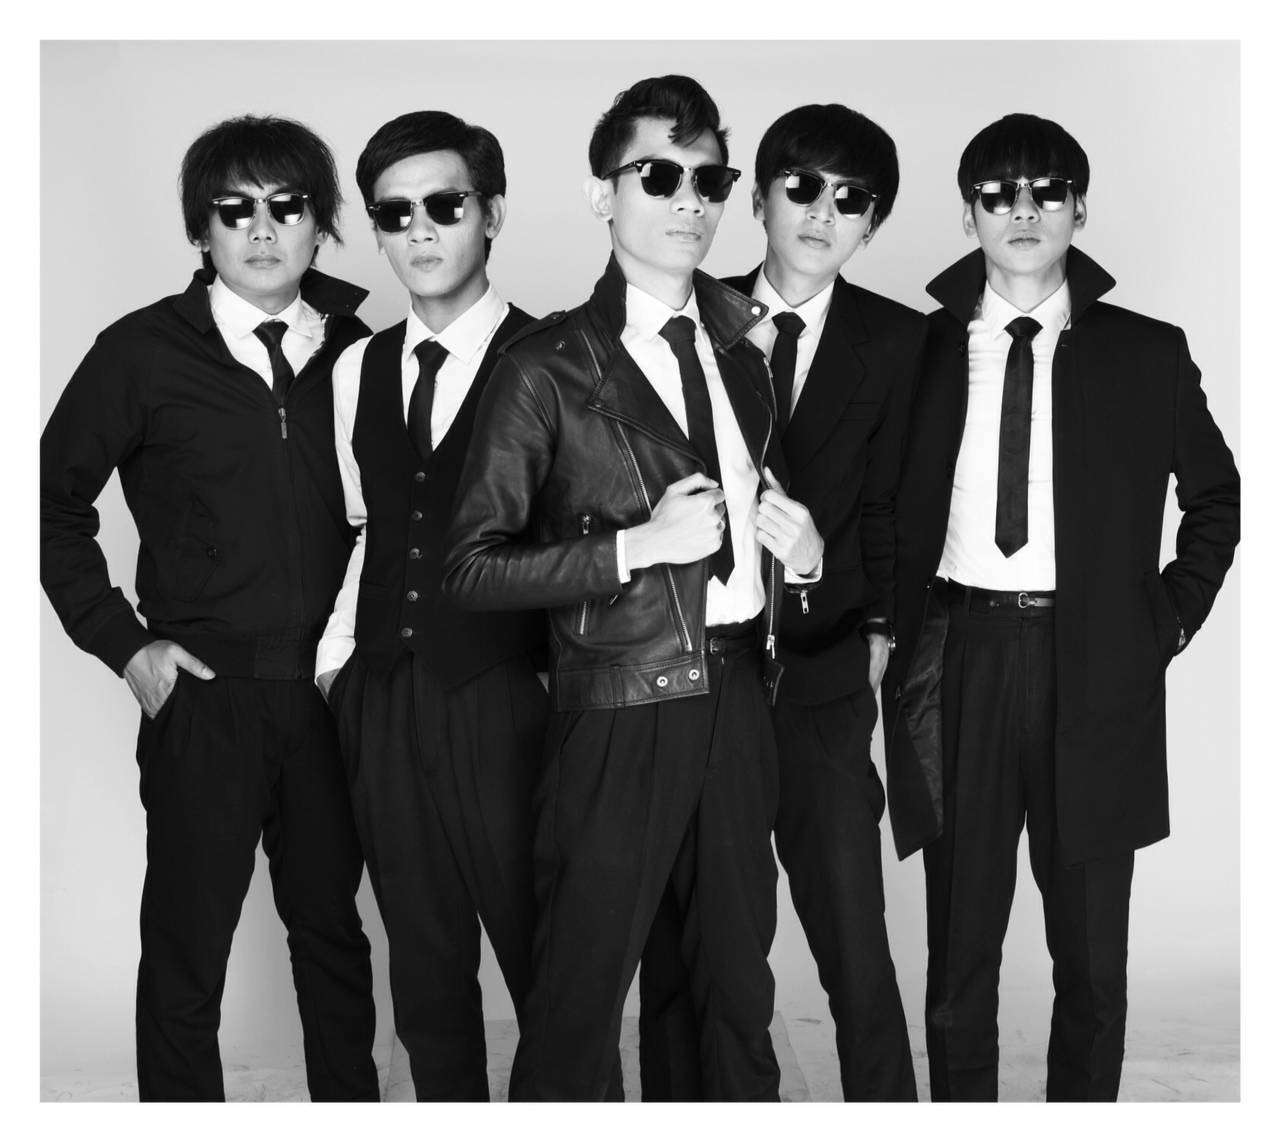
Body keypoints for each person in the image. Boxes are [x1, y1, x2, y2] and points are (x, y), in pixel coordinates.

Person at [443, 74, 824, 1101]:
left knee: (731, 990)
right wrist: (633, 548)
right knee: (578, 998)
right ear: (600, 194)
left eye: (709, 179)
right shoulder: (546, 366)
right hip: (618, 706)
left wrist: (804, 556)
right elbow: (468, 567)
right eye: (658, 175)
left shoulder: (744, 347)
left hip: (738, 696)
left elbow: (762, 514)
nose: (687, 199)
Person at [881, 112, 1240, 1101]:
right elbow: (873, 505)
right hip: (960, 656)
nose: (1023, 210)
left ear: (1079, 207)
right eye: (998, 193)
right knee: (959, 954)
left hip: (1094, 666)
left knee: (1090, 959)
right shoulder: (918, 352)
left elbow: (1216, 498)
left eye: (1046, 190)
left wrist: (1164, 618)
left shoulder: (1145, 352)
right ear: (968, 215)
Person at [40, 114, 378, 1101]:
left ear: (321, 225)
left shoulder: (361, 352)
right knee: (187, 948)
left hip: (329, 694)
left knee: (334, 935)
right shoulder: (140, 353)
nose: (262, 229)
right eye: (235, 210)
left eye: (288, 206)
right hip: (205, 696)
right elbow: (47, 504)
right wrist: (124, 644)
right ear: (202, 228)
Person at [639, 102, 922, 1101]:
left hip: (822, 676)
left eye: (850, 199)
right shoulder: (686, 312)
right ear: (756, 199)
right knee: (695, 938)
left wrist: (858, 611)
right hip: (697, 672)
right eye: (800, 187)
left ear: (870, 223)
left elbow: (895, 512)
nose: (820, 213)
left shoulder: (899, 342)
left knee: (852, 935)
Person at [314, 110, 545, 1101]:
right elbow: (366, 523)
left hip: (511, 695)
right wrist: (336, 665)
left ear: (491, 213)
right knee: (425, 968)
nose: (420, 230)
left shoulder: (558, 357)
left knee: (550, 963)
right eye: (394, 212)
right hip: (382, 695)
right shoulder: (357, 367)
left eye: (444, 205)